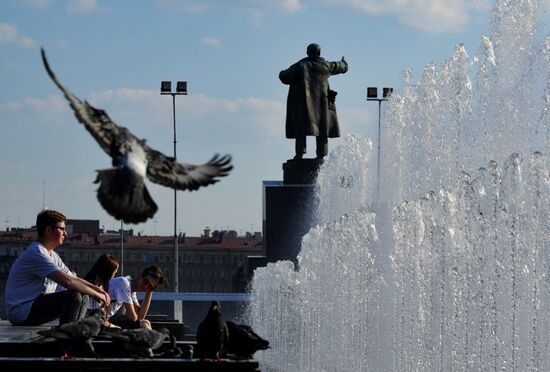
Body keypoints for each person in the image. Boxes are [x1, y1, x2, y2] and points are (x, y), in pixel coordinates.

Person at [5, 209, 110, 326]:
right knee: (73, 296)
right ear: (48, 230)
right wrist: (97, 295)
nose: (66, 233)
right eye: (62, 229)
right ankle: (66, 337)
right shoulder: (37, 253)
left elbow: (74, 279)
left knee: (83, 295)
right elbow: (68, 282)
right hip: (22, 312)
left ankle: (76, 332)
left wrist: (97, 289)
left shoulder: (53, 255)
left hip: (34, 306)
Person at [279, 43, 348, 159]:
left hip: (303, 106)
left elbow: (284, 77)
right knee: (322, 128)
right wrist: (344, 63)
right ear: (319, 53)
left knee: (301, 129)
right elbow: (340, 66)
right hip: (322, 105)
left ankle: (300, 154)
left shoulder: (300, 65)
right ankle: (321, 155)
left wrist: (282, 72)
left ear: (307, 53)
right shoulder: (326, 66)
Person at [107, 265, 168, 329]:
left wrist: (149, 292)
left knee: (145, 323)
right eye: (146, 282)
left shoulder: (131, 290)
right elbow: (133, 317)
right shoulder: (124, 283)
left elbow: (140, 318)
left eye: (150, 287)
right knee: (144, 324)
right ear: (141, 276)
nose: (146, 287)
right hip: (98, 319)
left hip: (104, 319)